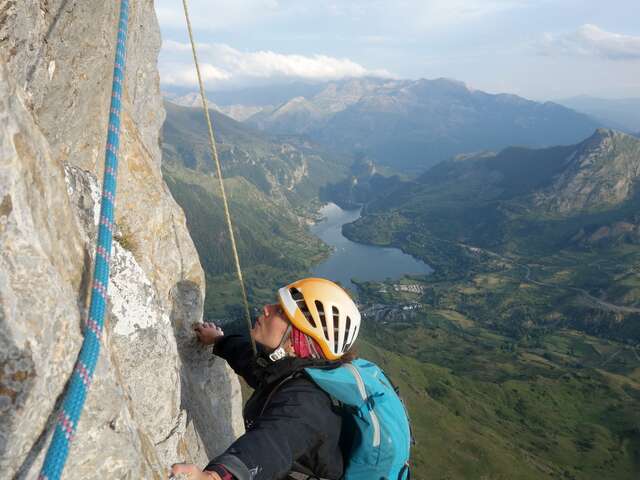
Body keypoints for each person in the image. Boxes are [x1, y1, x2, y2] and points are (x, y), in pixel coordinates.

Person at [170, 277, 361, 480]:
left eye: (280, 311)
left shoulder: (305, 404)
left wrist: (215, 477)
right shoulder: (298, 370)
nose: (267, 308)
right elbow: (257, 366)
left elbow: (270, 444)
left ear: (297, 341)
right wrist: (219, 340)